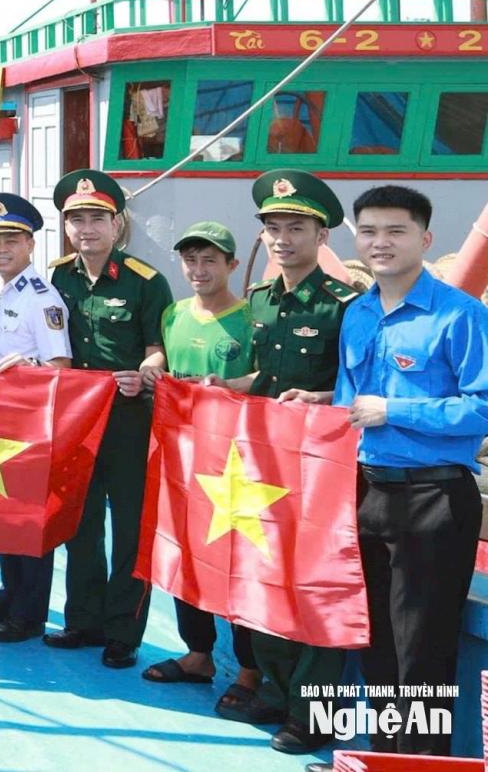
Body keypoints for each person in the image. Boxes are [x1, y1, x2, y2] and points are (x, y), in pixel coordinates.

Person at [321, 185, 488, 757]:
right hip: (367, 493)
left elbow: (482, 407)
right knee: (377, 644)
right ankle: (384, 758)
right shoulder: (358, 313)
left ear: (426, 238)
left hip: (432, 499)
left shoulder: (461, 315)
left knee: (422, 653)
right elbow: (349, 401)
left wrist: (395, 410)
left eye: (396, 231)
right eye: (369, 231)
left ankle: (420, 765)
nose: (380, 242)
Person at [237, 170, 360, 752]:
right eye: (274, 228)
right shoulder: (260, 301)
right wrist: (218, 387)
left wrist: (321, 398)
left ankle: (315, 712)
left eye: (296, 228)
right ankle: (277, 689)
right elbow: (262, 376)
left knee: (317, 584)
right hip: (267, 462)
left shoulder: (346, 307)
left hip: (324, 469)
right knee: (266, 572)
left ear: (322, 236)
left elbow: (361, 389)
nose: (282, 239)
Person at [44, 168, 170, 669]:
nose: (87, 229)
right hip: (76, 421)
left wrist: (145, 373)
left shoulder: (146, 282)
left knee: (130, 528)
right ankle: (83, 620)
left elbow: (158, 349)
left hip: (129, 420)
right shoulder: (56, 277)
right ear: (66, 227)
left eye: (97, 218)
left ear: (117, 224)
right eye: (77, 219)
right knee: (81, 521)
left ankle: (123, 632)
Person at [142, 221, 265, 708]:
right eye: (190, 260)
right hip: (182, 453)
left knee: (238, 556)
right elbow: (164, 363)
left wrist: (229, 387)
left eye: (210, 260)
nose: (199, 269)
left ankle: (250, 668)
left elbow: (267, 376)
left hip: (237, 459)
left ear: (231, 265)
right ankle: (198, 653)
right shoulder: (173, 314)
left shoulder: (251, 319)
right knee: (185, 550)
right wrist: (153, 370)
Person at [0, 192, 72, 643]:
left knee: (28, 521)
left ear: (30, 244)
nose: (1, 249)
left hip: (32, 423)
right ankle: (11, 594)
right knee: (4, 514)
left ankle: (29, 614)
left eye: (11, 240)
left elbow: (60, 367)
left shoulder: (42, 299)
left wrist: (29, 368)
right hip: (1, 420)